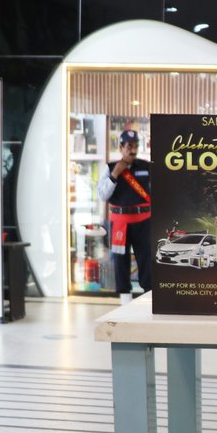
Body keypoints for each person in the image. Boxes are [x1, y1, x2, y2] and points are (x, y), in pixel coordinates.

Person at [97, 129, 152, 303]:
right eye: (129, 146)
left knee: (146, 260)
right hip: (120, 222)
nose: (133, 150)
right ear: (121, 147)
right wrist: (115, 175)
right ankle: (125, 303)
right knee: (121, 262)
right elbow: (102, 195)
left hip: (143, 221)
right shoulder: (110, 168)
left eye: (135, 146)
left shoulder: (146, 167)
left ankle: (148, 301)